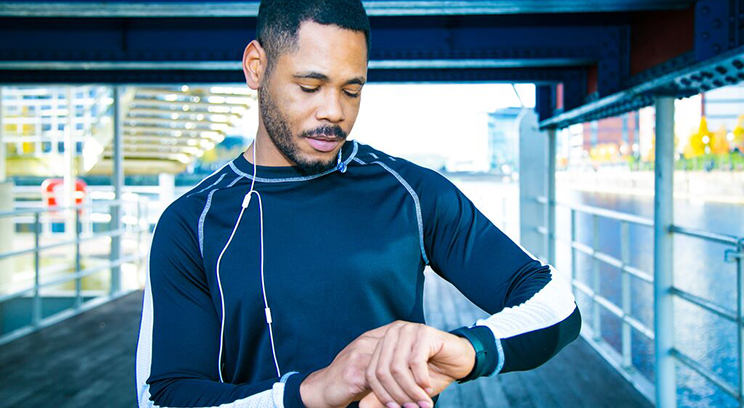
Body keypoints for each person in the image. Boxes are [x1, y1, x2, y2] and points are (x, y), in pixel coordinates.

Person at [135, 0, 581, 407]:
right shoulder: (190, 224)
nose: (334, 111)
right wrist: (312, 391)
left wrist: (466, 351)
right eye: (310, 86)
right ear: (256, 67)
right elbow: (165, 397)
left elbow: (556, 303)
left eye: (352, 90)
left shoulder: (411, 194)